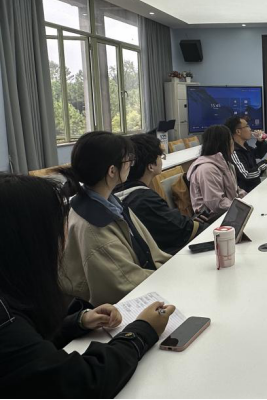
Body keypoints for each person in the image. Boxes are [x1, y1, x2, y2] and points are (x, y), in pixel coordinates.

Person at [0, 174, 178, 398]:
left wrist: (79, 321)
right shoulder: (5, 324)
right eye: (57, 228)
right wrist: (142, 330)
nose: (64, 237)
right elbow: (85, 382)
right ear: (29, 240)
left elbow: (28, 345)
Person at [59, 132, 171, 307]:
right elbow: (125, 284)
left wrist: (173, 268)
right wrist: (172, 278)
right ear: (112, 171)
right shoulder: (94, 226)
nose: (131, 165)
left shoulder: (108, 202)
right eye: (128, 161)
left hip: (147, 281)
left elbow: (152, 252)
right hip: (126, 305)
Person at [116, 134, 201, 256]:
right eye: (160, 156)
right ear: (151, 166)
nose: (162, 160)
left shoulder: (119, 192)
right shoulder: (145, 200)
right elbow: (181, 229)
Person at [187, 125, 246, 216]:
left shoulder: (225, 163)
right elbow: (216, 204)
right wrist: (241, 208)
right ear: (223, 143)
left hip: (228, 210)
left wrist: (248, 199)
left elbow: (235, 190)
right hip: (212, 217)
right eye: (231, 139)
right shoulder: (207, 169)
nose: (233, 143)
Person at [225, 116, 267, 192]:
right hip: (246, 193)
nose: (250, 129)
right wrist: (266, 162)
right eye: (247, 126)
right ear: (238, 131)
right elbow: (247, 175)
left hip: (255, 189)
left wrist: (260, 142)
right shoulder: (234, 152)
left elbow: (258, 154)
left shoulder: (245, 146)